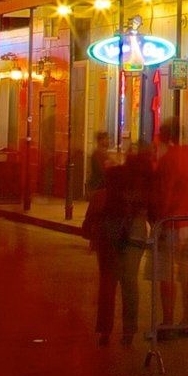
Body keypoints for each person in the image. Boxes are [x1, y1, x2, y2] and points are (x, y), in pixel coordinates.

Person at [80, 145, 151, 345]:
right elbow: (150, 207)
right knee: (129, 282)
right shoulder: (143, 181)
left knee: (108, 281)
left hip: (110, 229)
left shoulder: (113, 175)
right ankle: (128, 331)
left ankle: (105, 330)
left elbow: (101, 195)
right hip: (134, 231)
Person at [149, 119, 188, 335]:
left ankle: (167, 322)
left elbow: (164, 191)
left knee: (166, 274)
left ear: (164, 137)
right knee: (187, 275)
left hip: (171, 222)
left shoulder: (168, 159)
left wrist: (159, 220)